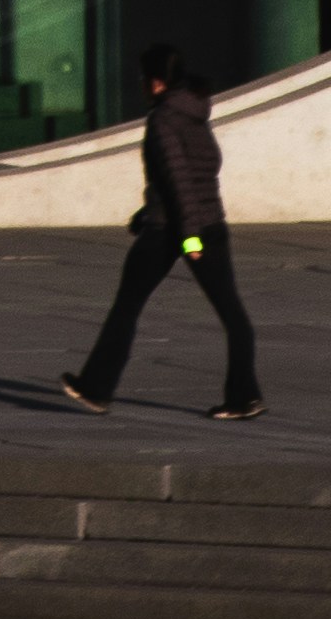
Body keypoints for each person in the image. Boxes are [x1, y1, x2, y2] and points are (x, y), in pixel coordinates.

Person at [61, 40, 263, 421]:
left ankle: (96, 388)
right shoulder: (195, 112)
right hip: (209, 222)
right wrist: (149, 209)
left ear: (155, 83)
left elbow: (178, 180)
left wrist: (189, 238)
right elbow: (195, 174)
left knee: (127, 306)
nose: (140, 85)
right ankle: (244, 396)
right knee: (232, 312)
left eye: (142, 78)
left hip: (174, 230)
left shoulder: (163, 119)